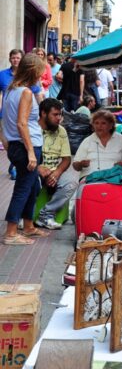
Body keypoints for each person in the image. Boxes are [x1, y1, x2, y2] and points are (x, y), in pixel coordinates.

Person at [2, 53, 48, 245]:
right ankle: (11, 232)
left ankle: (28, 225)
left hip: (16, 145)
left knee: (33, 186)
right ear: (33, 71)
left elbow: (7, 119)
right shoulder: (26, 93)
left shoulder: (12, 90)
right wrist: (30, 151)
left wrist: (7, 141)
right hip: (25, 146)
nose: (41, 76)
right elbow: (22, 123)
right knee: (23, 188)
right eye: (40, 72)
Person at [35, 98, 79, 230]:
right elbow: (24, 157)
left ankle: (46, 214)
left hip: (54, 171)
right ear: (43, 113)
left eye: (60, 114)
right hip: (34, 170)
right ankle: (25, 216)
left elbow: (66, 159)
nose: (59, 118)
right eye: (55, 114)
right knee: (29, 182)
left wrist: (57, 173)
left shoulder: (61, 131)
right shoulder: (33, 129)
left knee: (71, 183)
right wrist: (38, 168)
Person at [73, 110, 122, 180]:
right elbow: (75, 165)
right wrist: (81, 164)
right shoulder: (87, 141)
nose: (99, 126)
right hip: (90, 178)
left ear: (111, 125)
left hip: (116, 177)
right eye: (96, 123)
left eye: (103, 123)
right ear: (93, 125)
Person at [0, 49, 26, 180]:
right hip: (5, 115)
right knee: (6, 143)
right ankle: (13, 163)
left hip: (23, 114)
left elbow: (37, 92)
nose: (15, 60)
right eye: (13, 58)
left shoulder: (26, 75)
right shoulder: (2, 74)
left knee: (20, 141)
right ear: (10, 59)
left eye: (18, 58)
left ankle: (15, 166)